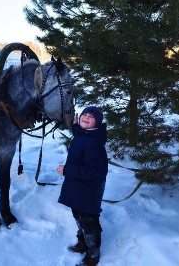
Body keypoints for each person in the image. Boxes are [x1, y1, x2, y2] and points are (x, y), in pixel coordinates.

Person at [57, 106, 108, 266]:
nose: (85, 117)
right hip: (77, 186)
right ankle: (83, 242)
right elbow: (80, 133)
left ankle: (93, 253)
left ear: (97, 123)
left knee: (88, 221)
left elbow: (93, 170)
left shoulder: (94, 142)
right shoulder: (84, 134)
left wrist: (67, 170)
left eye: (90, 117)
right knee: (78, 216)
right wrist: (73, 125)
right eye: (84, 115)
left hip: (88, 190)